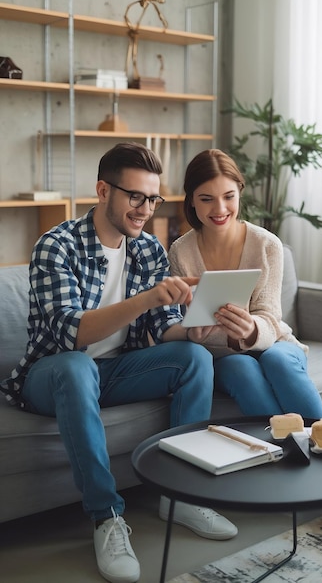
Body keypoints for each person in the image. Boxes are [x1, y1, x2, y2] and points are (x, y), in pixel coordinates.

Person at [0, 143, 237, 583]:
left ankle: (180, 496)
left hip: (114, 372)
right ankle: (106, 516)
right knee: (76, 366)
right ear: (102, 190)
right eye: (135, 196)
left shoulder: (147, 250)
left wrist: (192, 328)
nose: (145, 209)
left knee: (194, 359)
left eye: (152, 199)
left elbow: (161, 327)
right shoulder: (56, 246)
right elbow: (72, 334)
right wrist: (147, 296)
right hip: (50, 377)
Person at [168, 148, 322, 420]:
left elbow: (270, 315)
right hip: (222, 358)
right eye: (206, 199)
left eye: (229, 197)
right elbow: (187, 324)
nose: (220, 209)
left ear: (240, 192)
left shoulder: (267, 245)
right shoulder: (180, 252)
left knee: (276, 360)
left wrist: (251, 328)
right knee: (241, 367)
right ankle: (282, 449)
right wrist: (198, 332)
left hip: (274, 344)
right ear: (192, 201)